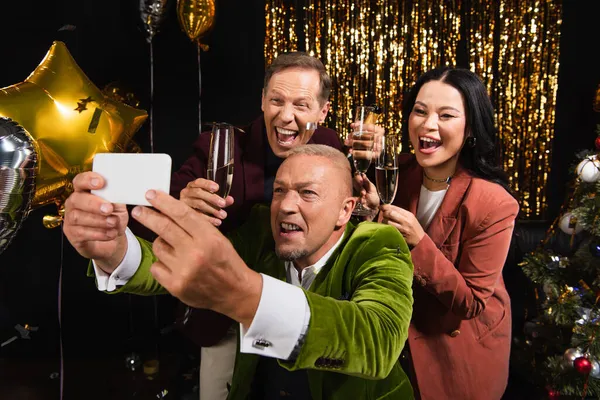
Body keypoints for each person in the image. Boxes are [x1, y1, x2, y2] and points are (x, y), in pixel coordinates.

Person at [63, 144, 415, 399]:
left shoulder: (378, 242)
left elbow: (377, 340)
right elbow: (187, 263)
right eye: (280, 191)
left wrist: (245, 294)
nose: (286, 206)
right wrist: (116, 250)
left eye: (307, 193)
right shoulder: (263, 229)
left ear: (345, 210)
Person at [140, 52, 343, 398]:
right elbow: (150, 219)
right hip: (226, 318)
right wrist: (181, 205)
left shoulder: (331, 149)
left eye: (301, 104)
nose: (286, 115)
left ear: (322, 113)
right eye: (276, 100)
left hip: (301, 310)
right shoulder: (220, 147)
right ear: (262, 100)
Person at [357, 67, 519, 399]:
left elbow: (471, 302)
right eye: (420, 111)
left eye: (446, 115)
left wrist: (419, 242)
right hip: (395, 345)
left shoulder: (494, 203)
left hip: (458, 356)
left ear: (470, 127)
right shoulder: (394, 172)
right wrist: (373, 210)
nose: (428, 124)